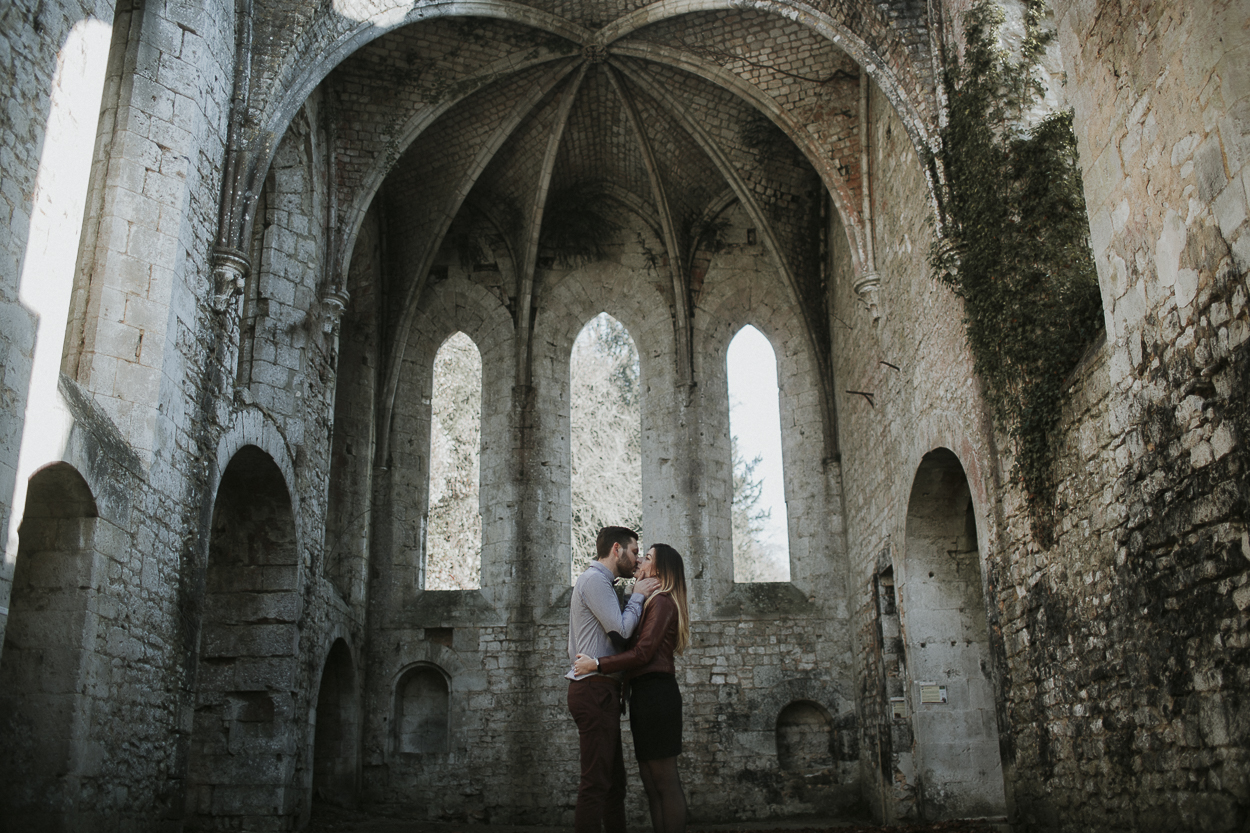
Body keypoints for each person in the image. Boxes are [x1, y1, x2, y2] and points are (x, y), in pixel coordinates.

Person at [574, 544, 690, 833]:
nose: (640, 560)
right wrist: (634, 595)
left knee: (664, 781)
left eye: (647, 557)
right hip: (644, 695)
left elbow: (643, 653)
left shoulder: (662, 602)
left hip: (657, 695)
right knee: (651, 784)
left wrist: (597, 664)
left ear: (659, 571)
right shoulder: (650, 601)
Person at [567, 526, 659, 833]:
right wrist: (638, 596)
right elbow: (620, 631)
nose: (636, 560)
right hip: (592, 691)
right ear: (616, 549)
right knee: (596, 782)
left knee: (614, 784)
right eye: (634, 551)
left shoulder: (604, 583)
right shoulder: (594, 580)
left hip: (602, 691)